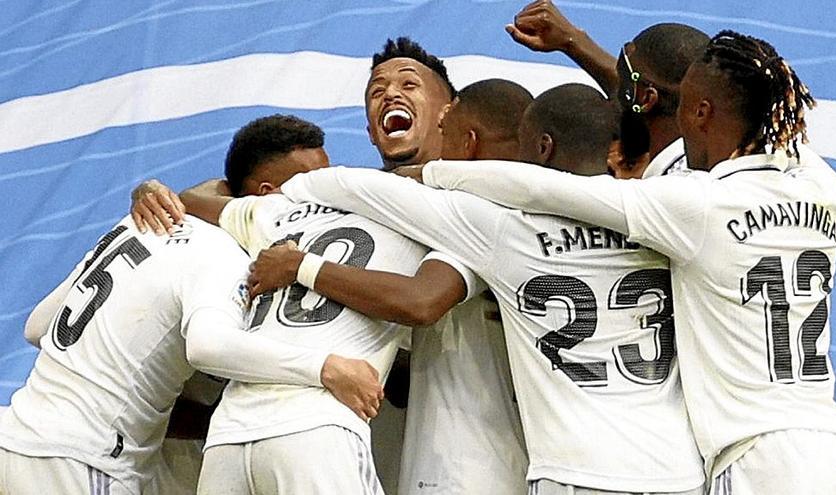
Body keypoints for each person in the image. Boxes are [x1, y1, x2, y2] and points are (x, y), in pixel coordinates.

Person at [404, 31, 836, 493]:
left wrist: (431, 173)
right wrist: (580, 47)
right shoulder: (828, 189)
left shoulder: (694, 203)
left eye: (686, 107)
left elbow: (543, 189)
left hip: (757, 456)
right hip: (835, 444)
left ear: (702, 112)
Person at [273, 83, 705, 494]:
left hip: (577, 467)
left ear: (541, 148)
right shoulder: (660, 216)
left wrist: (288, 204)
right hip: (678, 468)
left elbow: (360, 189)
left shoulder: (500, 227)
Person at [0, 116, 379, 494]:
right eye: (314, 187)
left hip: (15, 435)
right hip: (80, 459)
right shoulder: (225, 253)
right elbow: (207, 346)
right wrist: (325, 368)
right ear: (270, 195)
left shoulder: (138, 223)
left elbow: (37, 326)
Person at [247, 78, 534, 494]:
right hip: (415, 457)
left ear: (451, 123)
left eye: (410, 83)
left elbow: (421, 302)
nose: (390, 95)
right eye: (376, 90)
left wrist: (302, 267)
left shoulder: (470, 218)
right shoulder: (378, 216)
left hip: (469, 466)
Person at [134, 114, 429, 494]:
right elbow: (423, 303)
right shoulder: (410, 214)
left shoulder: (262, 216)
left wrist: (151, 189)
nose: (320, 185)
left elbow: (191, 200)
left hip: (228, 437)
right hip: (316, 425)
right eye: (310, 177)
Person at [506, 1, 709, 179]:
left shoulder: (661, 193)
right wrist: (572, 41)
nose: (618, 74)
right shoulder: (720, 155)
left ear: (647, 99)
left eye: (625, 71)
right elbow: (637, 98)